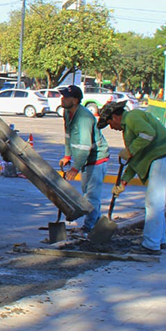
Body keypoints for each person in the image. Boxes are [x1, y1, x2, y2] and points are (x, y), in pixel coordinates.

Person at [97, 100, 166, 255]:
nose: (111, 127)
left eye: (109, 122)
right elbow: (135, 159)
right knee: (157, 203)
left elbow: (148, 134)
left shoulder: (132, 117)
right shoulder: (128, 127)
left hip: (165, 157)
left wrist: (130, 150)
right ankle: (160, 241)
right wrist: (123, 182)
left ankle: (150, 246)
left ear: (115, 116)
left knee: (153, 203)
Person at [57, 85, 110, 234]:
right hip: (85, 159)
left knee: (91, 195)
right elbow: (68, 135)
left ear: (75, 100)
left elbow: (85, 146)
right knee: (87, 192)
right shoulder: (67, 113)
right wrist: (67, 155)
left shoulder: (85, 117)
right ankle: (97, 222)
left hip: (96, 158)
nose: (62, 99)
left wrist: (75, 168)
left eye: (65, 97)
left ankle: (89, 227)